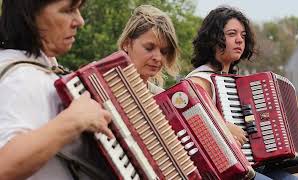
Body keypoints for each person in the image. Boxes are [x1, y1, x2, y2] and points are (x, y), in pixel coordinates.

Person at [0, 0, 114, 179]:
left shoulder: (41, 69)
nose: (80, 20)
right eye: (68, 10)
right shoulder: (19, 78)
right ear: (29, 16)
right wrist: (75, 119)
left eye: (78, 9)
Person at [186, 6, 298, 180]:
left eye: (243, 35)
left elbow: (252, 123)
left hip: (250, 164)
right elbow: (187, 125)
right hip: (220, 171)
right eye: (232, 34)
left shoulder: (237, 83)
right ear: (213, 39)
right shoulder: (198, 81)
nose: (240, 40)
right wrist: (223, 126)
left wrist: (287, 122)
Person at [117, 4, 179, 95]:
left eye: (164, 52)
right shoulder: (98, 86)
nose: (158, 58)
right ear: (126, 44)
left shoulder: (163, 99)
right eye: (149, 48)